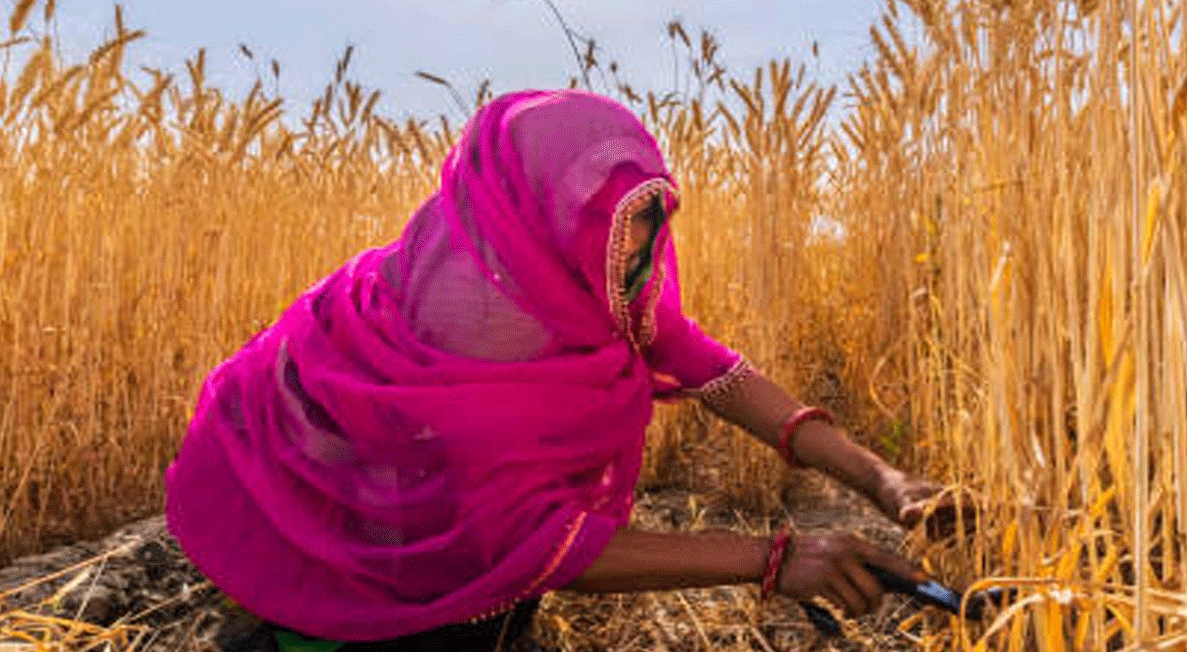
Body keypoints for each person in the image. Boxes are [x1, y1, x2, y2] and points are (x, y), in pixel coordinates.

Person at [165, 89, 956, 652]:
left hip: (438, 527)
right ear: (539, 213)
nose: (643, 254)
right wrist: (774, 560)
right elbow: (531, 539)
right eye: (623, 227)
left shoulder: (589, 272)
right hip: (343, 554)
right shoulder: (475, 328)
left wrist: (880, 478)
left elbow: (708, 367)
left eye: (650, 224)